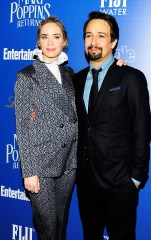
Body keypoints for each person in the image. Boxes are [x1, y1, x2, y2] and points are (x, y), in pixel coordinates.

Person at [73, 11, 151, 240]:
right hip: (86, 184)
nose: (93, 42)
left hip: (120, 184)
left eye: (101, 36)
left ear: (113, 41)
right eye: (88, 35)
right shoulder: (75, 80)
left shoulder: (130, 78)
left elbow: (141, 130)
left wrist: (135, 179)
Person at [14, 16, 78, 240]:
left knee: (60, 224)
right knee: (48, 227)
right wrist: (29, 171)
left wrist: (118, 66)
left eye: (56, 36)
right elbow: (22, 126)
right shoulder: (26, 76)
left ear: (65, 42)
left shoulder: (70, 75)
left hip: (69, 162)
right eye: (44, 37)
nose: (50, 42)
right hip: (41, 165)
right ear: (38, 42)